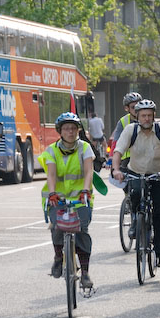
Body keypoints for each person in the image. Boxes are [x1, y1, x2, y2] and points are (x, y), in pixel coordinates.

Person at [113, 99, 160, 268]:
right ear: (137, 117)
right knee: (134, 199)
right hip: (136, 172)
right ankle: (137, 221)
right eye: (143, 116)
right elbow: (118, 151)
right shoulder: (130, 130)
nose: (146, 119)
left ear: (154, 116)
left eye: (149, 115)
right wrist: (116, 170)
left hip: (159, 174)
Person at [39, 112, 95, 288]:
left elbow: (88, 171)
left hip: (81, 198)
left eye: (73, 128)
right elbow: (52, 174)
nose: (70, 132)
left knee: (82, 230)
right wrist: (53, 193)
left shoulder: (85, 148)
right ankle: (58, 257)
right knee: (57, 227)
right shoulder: (52, 150)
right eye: (66, 129)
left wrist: (85, 190)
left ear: (78, 130)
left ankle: (85, 272)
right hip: (59, 198)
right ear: (60, 132)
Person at [110, 92, 143, 171]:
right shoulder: (123, 121)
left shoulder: (147, 119)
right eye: (133, 107)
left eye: (138, 106)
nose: (136, 109)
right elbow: (116, 142)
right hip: (127, 160)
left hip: (145, 158)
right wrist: (111, 158)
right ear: (126, 108)